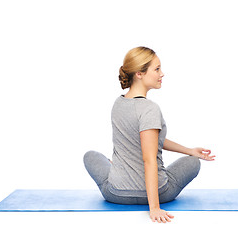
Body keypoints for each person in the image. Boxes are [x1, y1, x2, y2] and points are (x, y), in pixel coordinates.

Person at [83, 46, 215, 223]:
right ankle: (134, 179)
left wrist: (189, 150)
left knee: (90, 156)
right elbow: (149, 159)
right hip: (160, 193)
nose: (162, 73)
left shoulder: (118, 104)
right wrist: (154, 207)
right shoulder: (149, 109)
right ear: (139, 73)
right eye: (157, 69)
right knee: (193, 163)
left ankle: (118, 167)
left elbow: (152, 140)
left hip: (117, 193)